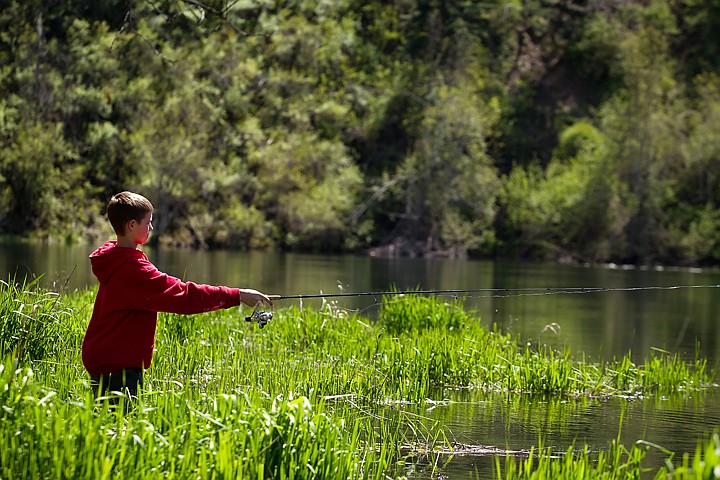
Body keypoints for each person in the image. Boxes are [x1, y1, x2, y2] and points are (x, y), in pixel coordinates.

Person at [81, 191, 275, 402]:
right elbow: (184, 296)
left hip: (105, 358)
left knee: (108, 426)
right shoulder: (133, 269)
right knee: (120, 426)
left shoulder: (113, 258)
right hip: (118, 366)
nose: (152, 228)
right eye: (149, 223)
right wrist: (237, 295)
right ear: (132, 225)